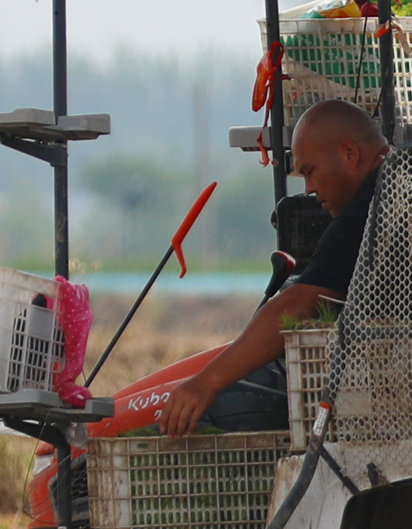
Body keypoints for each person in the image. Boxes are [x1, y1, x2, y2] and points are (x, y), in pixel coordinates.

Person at [157, 98, 388, 437]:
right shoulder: (407, 175)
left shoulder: (371, 209)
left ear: (349, 154)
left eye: (310, 171)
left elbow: (298, 304)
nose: (309, 189)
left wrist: (206, 382)